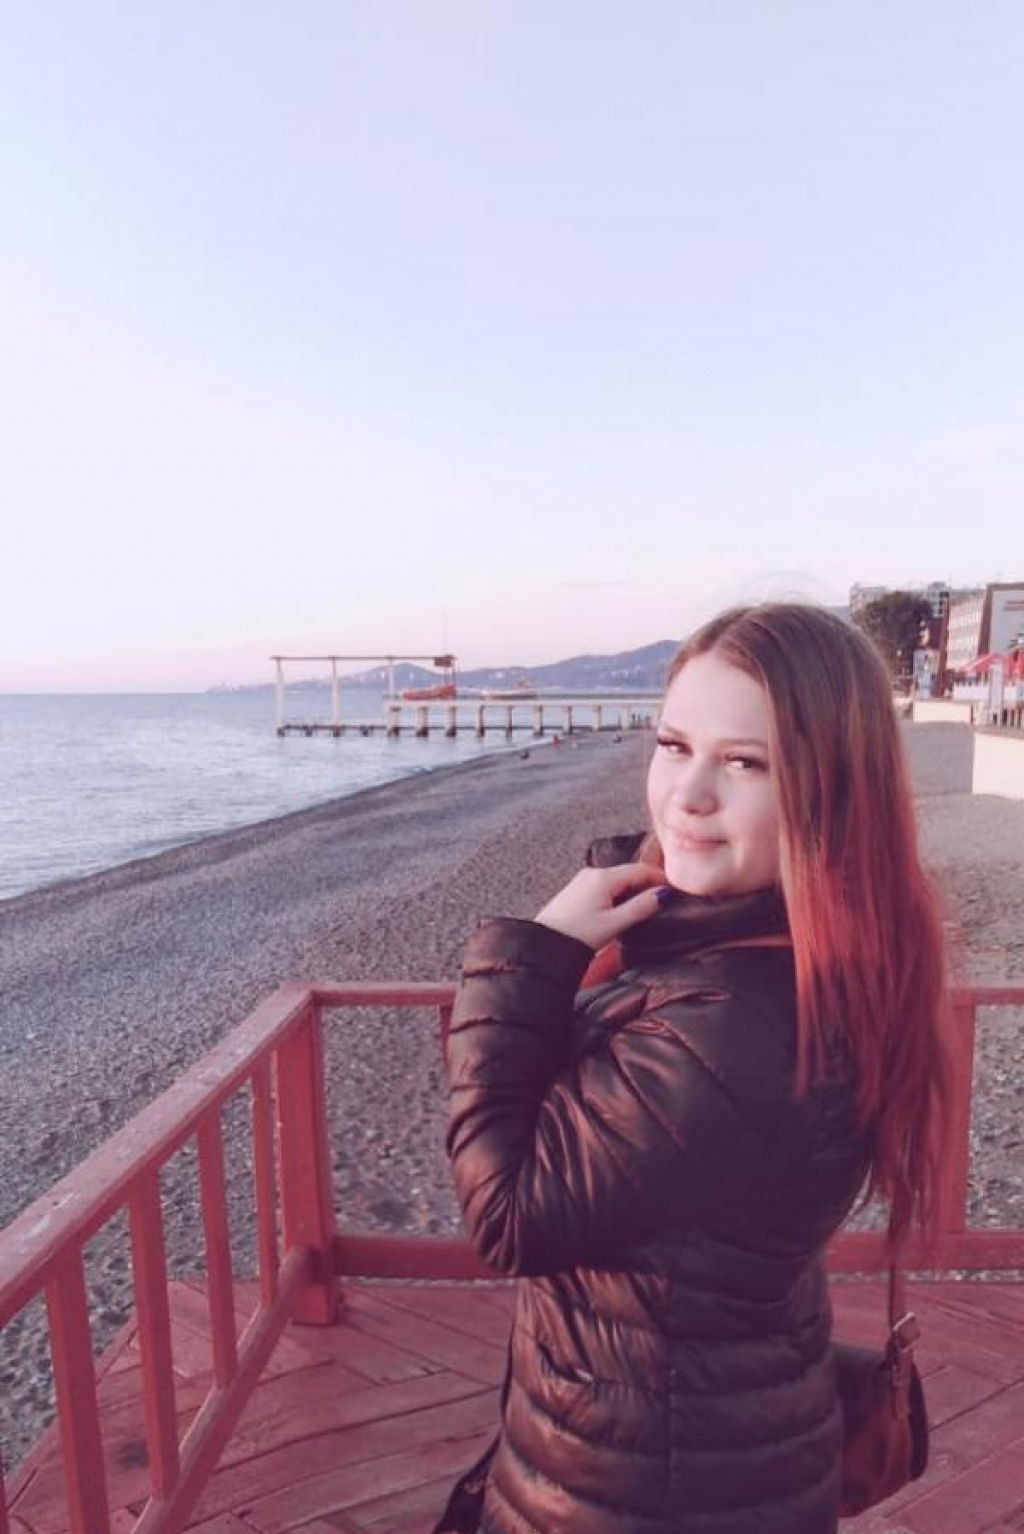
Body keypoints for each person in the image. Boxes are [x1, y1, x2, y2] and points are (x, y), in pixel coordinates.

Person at [442, 602, 952, 1534]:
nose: (688, 795)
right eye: (674, 746)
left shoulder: (732, 1024)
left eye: (745, 763)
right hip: (706, 1432)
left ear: (832, 793)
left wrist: (532, 957)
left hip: (644, 1483)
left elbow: (508, 1217)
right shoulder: (806, 949)